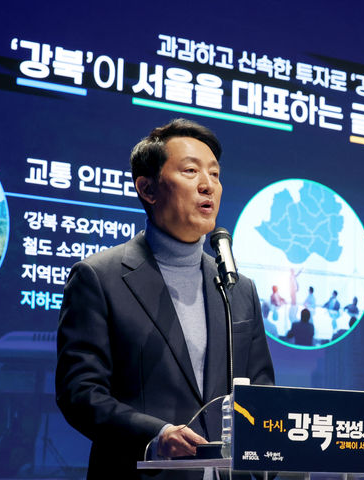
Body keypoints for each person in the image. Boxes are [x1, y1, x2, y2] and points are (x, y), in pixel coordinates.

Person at [55, 118, 275, 479]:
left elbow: (263, 393)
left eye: (215, 174)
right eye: (190, 171)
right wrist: (155, 436)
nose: (208, 185)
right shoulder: (99, 277)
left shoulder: (237, 287)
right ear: (148, 189)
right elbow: (80, 393)